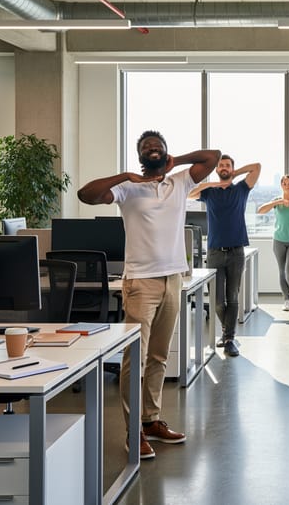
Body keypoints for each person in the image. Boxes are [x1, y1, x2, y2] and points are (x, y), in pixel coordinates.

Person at [77, 130, 220, 460]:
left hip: (173, 278)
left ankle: (151, 420)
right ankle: (133, 431)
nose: (153, 149)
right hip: (141, 282)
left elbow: (212, 156)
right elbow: (86, 195)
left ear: (165, 153)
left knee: (159, 357)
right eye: (147, 147)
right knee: (135, 359)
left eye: (158, 146)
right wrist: (126, 176)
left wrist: (175, 161)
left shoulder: (179, 182)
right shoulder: (127, 189)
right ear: (140, 155)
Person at [189, 154, 261, 358]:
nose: (224, 167)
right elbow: (189, 194)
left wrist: (234, 174)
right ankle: (226, 332)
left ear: (232, 168)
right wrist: (213, 182)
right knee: (218, 301)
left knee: (233, 297)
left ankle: (229, 338)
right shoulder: (209, 192)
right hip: (214, 252)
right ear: (216, 169)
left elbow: (256, 166)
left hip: (236, 251)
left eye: (227, 165)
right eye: (221, 165)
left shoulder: (241, 189)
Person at [257, 174, 289, 311]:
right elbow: (260, 211)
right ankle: (286, 300)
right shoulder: (277, 201)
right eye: (284, 183)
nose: (287, 186)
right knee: (282, 271)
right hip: (279, 241)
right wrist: (278, 202)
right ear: (281, 185)